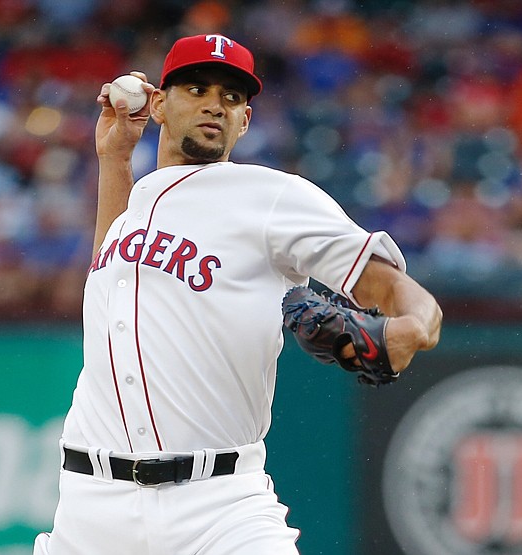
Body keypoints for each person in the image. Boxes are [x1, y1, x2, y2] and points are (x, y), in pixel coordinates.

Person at [34, 33, 442, 555]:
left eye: (231, 98)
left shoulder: (269, 197)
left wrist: (413, 327)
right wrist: (114, 158)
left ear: (245, 121)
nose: (215, 105)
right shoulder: (133, 202)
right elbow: (113, 269)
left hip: (218, 506)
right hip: (90, 510)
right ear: (158, 103)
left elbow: (393, 286)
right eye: (197, 89)